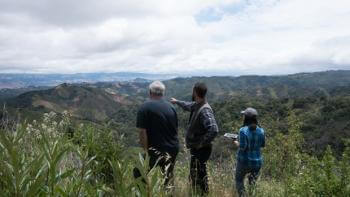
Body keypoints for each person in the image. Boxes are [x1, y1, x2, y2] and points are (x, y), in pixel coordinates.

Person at [170, 82, 218, 195]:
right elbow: (188, 105)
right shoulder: (198, 105)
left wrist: (201, 143)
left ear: (195, 92)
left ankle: (201, 193)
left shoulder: (205, 110)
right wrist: (177, 102)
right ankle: (200, 193)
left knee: (198, 175)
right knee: (196, 174)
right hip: (198, 149)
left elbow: (214, 129)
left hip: (201, 150)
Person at [135, 81, 179, 188]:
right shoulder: (171, 107)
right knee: (168, 177)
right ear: (163, 93)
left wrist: (145, 152)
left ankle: (144, 194)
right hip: (172, 149)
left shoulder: (144, 107)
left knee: (139, 173)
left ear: (150, 92)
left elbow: (142, 132)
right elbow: (175, 129)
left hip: (154, 150)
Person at [233, 107, 265, 197]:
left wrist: (235, 142)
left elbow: (243, 147)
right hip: (257, 162)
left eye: (244, 115)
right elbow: (262, 145)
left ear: (246, 118)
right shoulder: (261, 131)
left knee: (239, 181)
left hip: (245, 161)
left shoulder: (243, 131)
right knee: (252, 184)